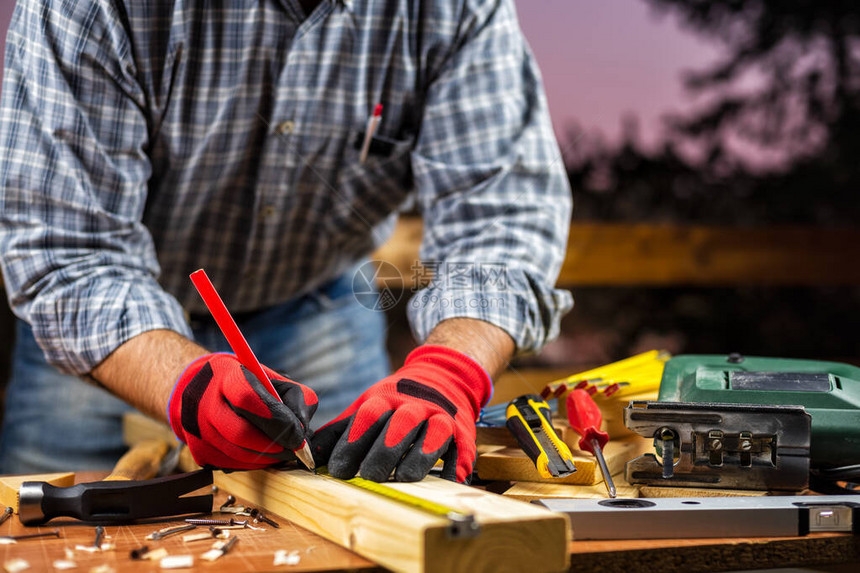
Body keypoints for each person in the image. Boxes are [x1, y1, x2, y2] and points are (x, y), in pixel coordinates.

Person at [0, 0, 572, 483]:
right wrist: (182, 379)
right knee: (49, 540)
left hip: (316, 312)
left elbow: (500, 215)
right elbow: (70, 247)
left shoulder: (447, 10)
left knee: (351, 525)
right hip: (98, 334)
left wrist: (451, 370)